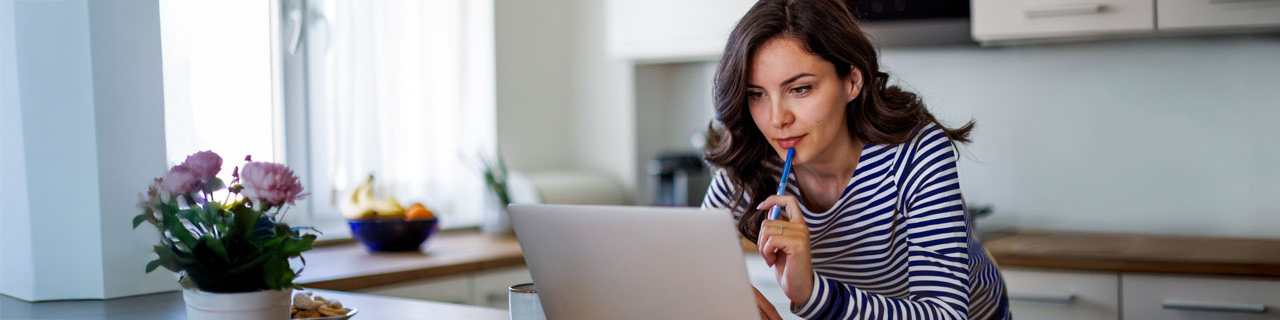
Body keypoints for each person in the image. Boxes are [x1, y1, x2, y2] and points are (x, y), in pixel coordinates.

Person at [701, 0, 1011, 319]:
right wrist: (731, 295)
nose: (777, 119)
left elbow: (945, 314)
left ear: (852, 81)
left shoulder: (916, 151)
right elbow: (694, 265)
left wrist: (812, 293)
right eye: (757, 94)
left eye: (801, 89)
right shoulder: (749, 161)